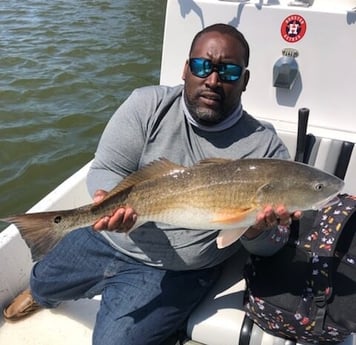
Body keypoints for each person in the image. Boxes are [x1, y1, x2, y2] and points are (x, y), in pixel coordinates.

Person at [3, 24, 298, 345]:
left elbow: (272, 245)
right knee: (43, 281)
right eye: (203, 66)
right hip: (107, 237)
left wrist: (256, 230)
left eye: (228, 71)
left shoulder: (264, 150)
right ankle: (42, 292)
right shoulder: (147, 105)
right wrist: (108, 200)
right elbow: (107, 167)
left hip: (176, 270)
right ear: (186, 69)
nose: (213, 80)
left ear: (245, 80)